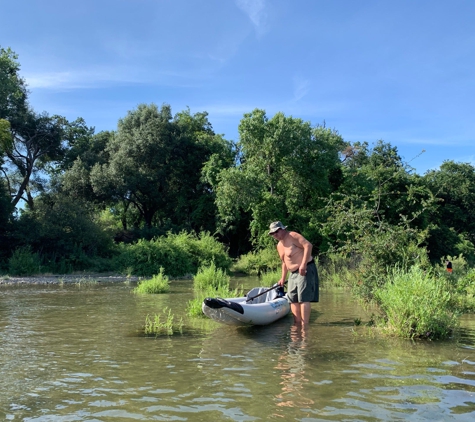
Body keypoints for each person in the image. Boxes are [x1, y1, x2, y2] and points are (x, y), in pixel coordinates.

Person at [268, 221, 319, 325]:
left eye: (276, 232)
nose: (275, 235)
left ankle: (305, 327)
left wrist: (303, 265)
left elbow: (308, 246)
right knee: (292, 299)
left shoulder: (292, 235)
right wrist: (282, 278)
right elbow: (284, 262)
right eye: (272, 233)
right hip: (292, 273)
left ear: (283, 229)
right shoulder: (279, 246)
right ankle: (297, 324)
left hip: (305, 269)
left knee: (303, 298)